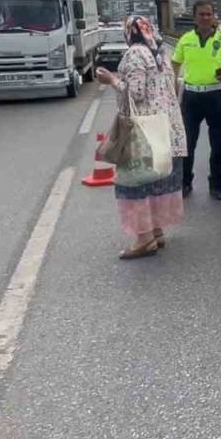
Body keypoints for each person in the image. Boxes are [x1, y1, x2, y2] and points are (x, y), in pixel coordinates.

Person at [95, 15, 187, 260]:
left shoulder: (136, 53)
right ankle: (156, 231)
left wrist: (111, 80)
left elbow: (135, 93)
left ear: (130, 32)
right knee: (156, 182)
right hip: (166, 129)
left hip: (142, 132)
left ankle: (144, 239)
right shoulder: (158, 53)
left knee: (134, 184)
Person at [171, 1, 221, 201]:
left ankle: (216, 185)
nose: (205, 18)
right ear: (194, 17)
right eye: (201, 14)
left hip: (217, 96)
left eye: (208, 14)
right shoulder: (185, 39)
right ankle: (185, 183)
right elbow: (175, 63)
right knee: (187, 143)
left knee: (218, 145)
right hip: (191, 97)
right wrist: (173, 87)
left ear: (214, 17)